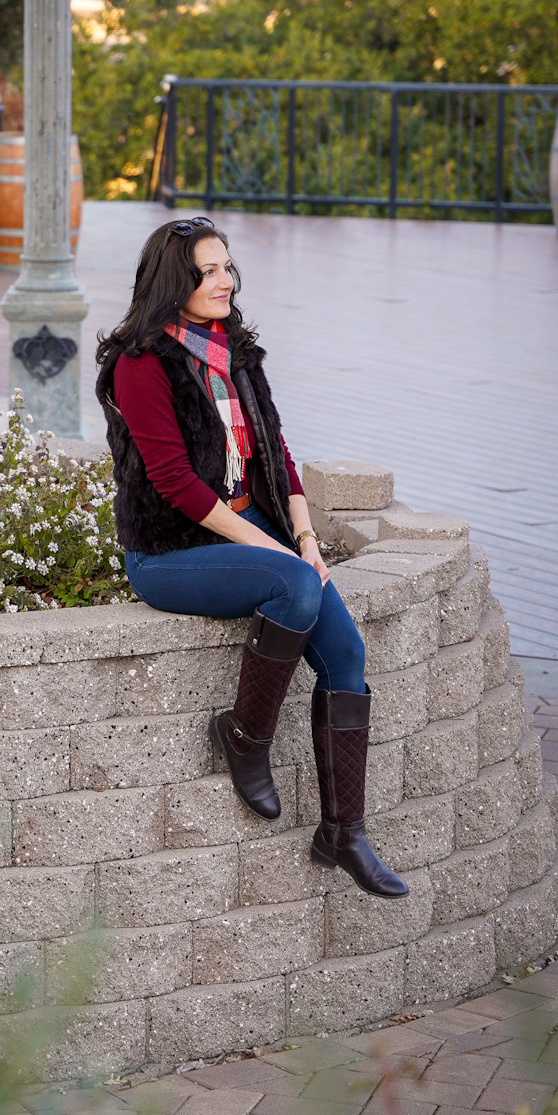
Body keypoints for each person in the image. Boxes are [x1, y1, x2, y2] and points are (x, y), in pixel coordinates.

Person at [94, 217, 406, 899]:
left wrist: (303, 539)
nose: (225, 281)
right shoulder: (141, 365)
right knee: (294, 586)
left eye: (227, 268)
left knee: (346, 654)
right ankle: (244, 737)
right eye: (207, 271)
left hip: (247, 525)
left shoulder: (234, 351)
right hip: (170, 549)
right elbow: (176, 484)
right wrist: (279, 554)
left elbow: (276, 452)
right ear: (173, 281)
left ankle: (344, 832)